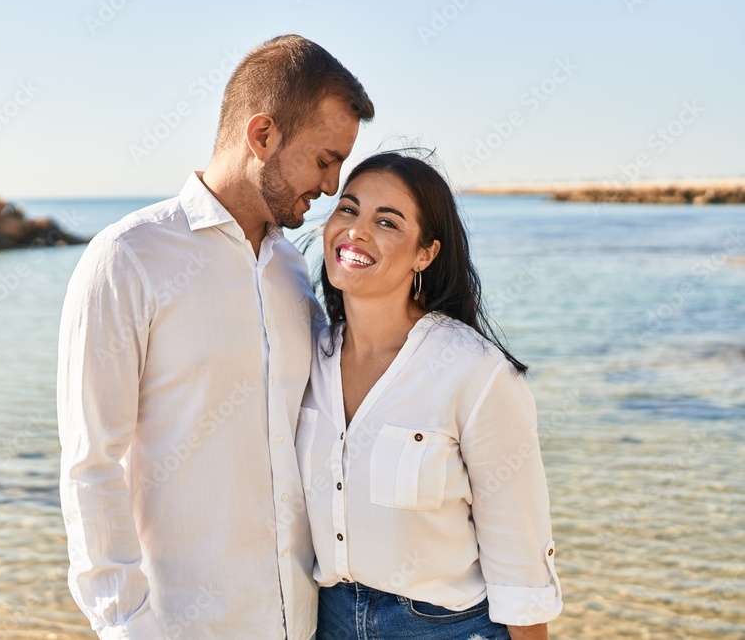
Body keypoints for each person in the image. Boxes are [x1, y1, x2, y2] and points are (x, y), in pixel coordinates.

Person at [56, 34, 374, 639]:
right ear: (262, 135)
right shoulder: (128, 258)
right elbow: (90, 465)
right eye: (325, 159)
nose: (332, 186)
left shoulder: (293, 271)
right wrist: (128, 627)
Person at [297, 152, 563, 640]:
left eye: (387, 222)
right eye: (348, 209)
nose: (356, 231)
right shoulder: (306, 356)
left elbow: (519, 551)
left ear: (426, 253)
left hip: (447, 626)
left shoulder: (476, 373)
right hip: (327, 619)